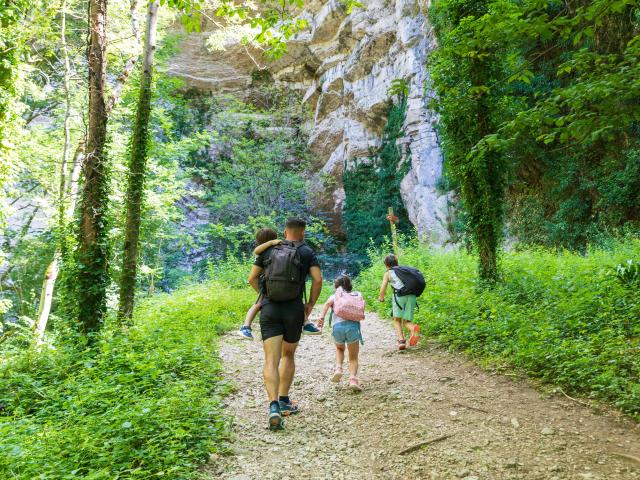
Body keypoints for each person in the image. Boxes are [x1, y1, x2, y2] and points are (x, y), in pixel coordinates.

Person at [247, 218, 323, 430]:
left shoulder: (270, 248)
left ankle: (273, 407)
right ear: (302, 232)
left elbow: (251, 278)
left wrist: (264, 296)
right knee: (288, 355)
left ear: (285, 231)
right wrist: (310, 305)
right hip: (293, 310)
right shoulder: (306, 252)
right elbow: (317, 280)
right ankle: (283, 400)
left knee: (271, 359)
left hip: (270, 308)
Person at [238, 229, 321, 340]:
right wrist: (271, 243)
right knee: (296, 302)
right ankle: (306, 324)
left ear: (258, 240)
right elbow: (256, 251)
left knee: (258, 304)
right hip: (276, 283)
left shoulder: (265, 251)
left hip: (268, 284)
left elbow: (252, 276)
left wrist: (263, 292)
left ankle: (246, 327)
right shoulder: (268, 249)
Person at [317, 275, 364, 391]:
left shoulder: (334, 296)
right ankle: (353, 379)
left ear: (336, 286)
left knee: (340, 349)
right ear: (350, 285)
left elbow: (327, 305)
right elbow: (361, 308)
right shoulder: (357, 295)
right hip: (353, 327)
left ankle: (338, 369)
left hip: (337, 327)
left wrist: (321, 318)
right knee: (353, 357)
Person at [378, 254, 421, 351]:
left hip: (399, 297)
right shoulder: (404, 271)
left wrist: (381, 297)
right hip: (412, 296)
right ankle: (413, 328)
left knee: (396, 319)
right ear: (397, 262)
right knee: (407, 321)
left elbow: (383, 286)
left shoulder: (388, 273)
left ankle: (401, 341)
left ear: (386, 264)